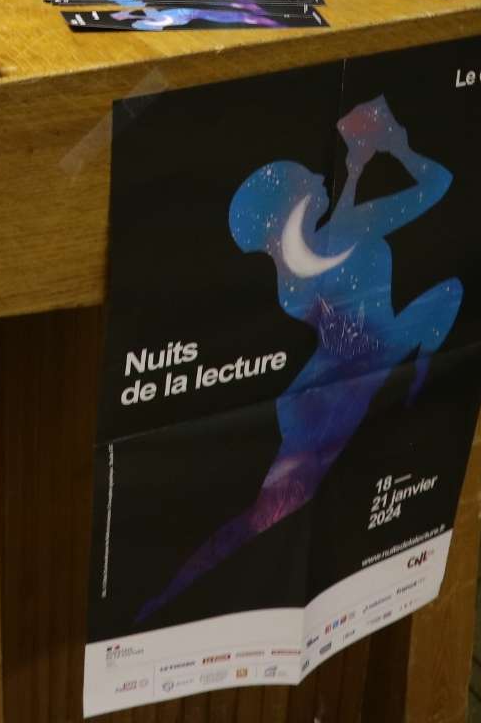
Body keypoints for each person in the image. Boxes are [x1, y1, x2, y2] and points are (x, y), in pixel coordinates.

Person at [135, 97, 462, 623]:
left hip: (330, 394)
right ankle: (183, 604)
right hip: (348, 392)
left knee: (265, 519)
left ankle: (172, 602)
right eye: (311, 179)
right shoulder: (343, 231)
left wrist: (358, 168)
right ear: (293, 203)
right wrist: (397, 147)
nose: (321, 176)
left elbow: (339, 252)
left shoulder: (295, 262)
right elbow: (438, 183)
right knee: (273, 520)